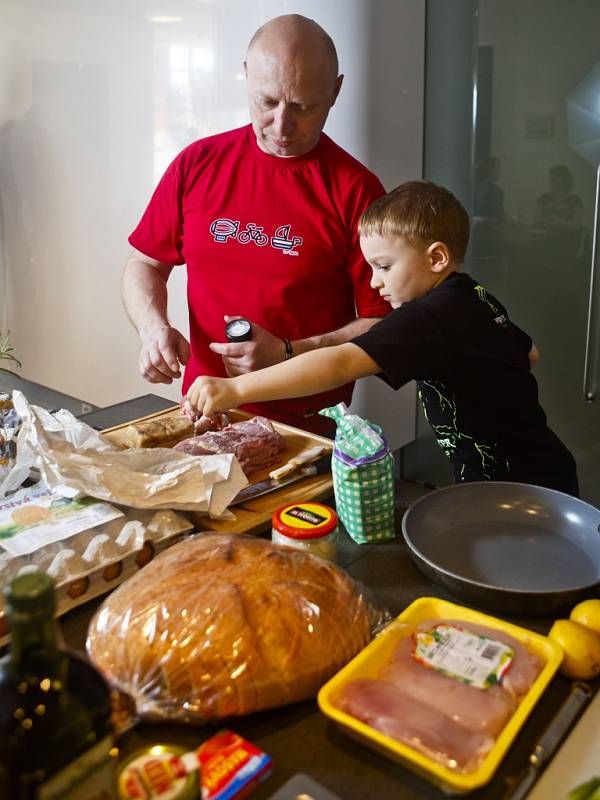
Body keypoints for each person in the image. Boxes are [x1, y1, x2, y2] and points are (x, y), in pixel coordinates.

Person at [186, 180, 579, 496]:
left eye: (384, 266)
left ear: (436, 258)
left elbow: (339, 362)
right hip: (542, 467)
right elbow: (529, 353)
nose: (375, 281)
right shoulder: (472, 295)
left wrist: (234, 389)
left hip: (519, 489)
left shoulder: (429, 314)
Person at [121, 14, 388, 435]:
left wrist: (290, 352)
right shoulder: (197, 164)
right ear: (246, 76)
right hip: (204, 416)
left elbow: (382, 325)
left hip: (305, 430)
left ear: (335, 90)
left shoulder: (358, 191)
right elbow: (145, 264)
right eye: (267, 102)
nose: (281, 125)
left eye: (303, 106)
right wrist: (153, 327)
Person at [534, 165, 583, 231]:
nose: (550, 183)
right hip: (543, 235)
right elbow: (536, 219)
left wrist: (560, 223)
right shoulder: (543, 198)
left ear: (564, 181)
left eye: (554, 180)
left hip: (567, 237)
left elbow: (577, 224)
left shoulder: (575, 200)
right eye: (550, 180)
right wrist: (546, 220)